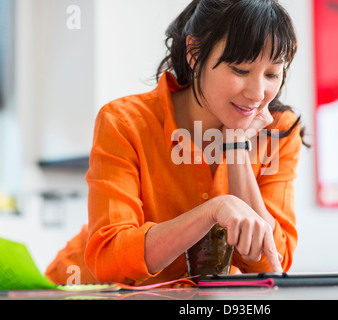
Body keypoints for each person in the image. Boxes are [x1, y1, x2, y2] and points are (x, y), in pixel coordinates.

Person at [45, 0, 308, 286]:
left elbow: (271, 263)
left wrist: (237, 150)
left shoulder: (278, 132)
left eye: (271, 74)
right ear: (194, 53)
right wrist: (210, 212)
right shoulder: (123, 123)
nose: (258, 93)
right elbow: (110, 261)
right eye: (240, 70)